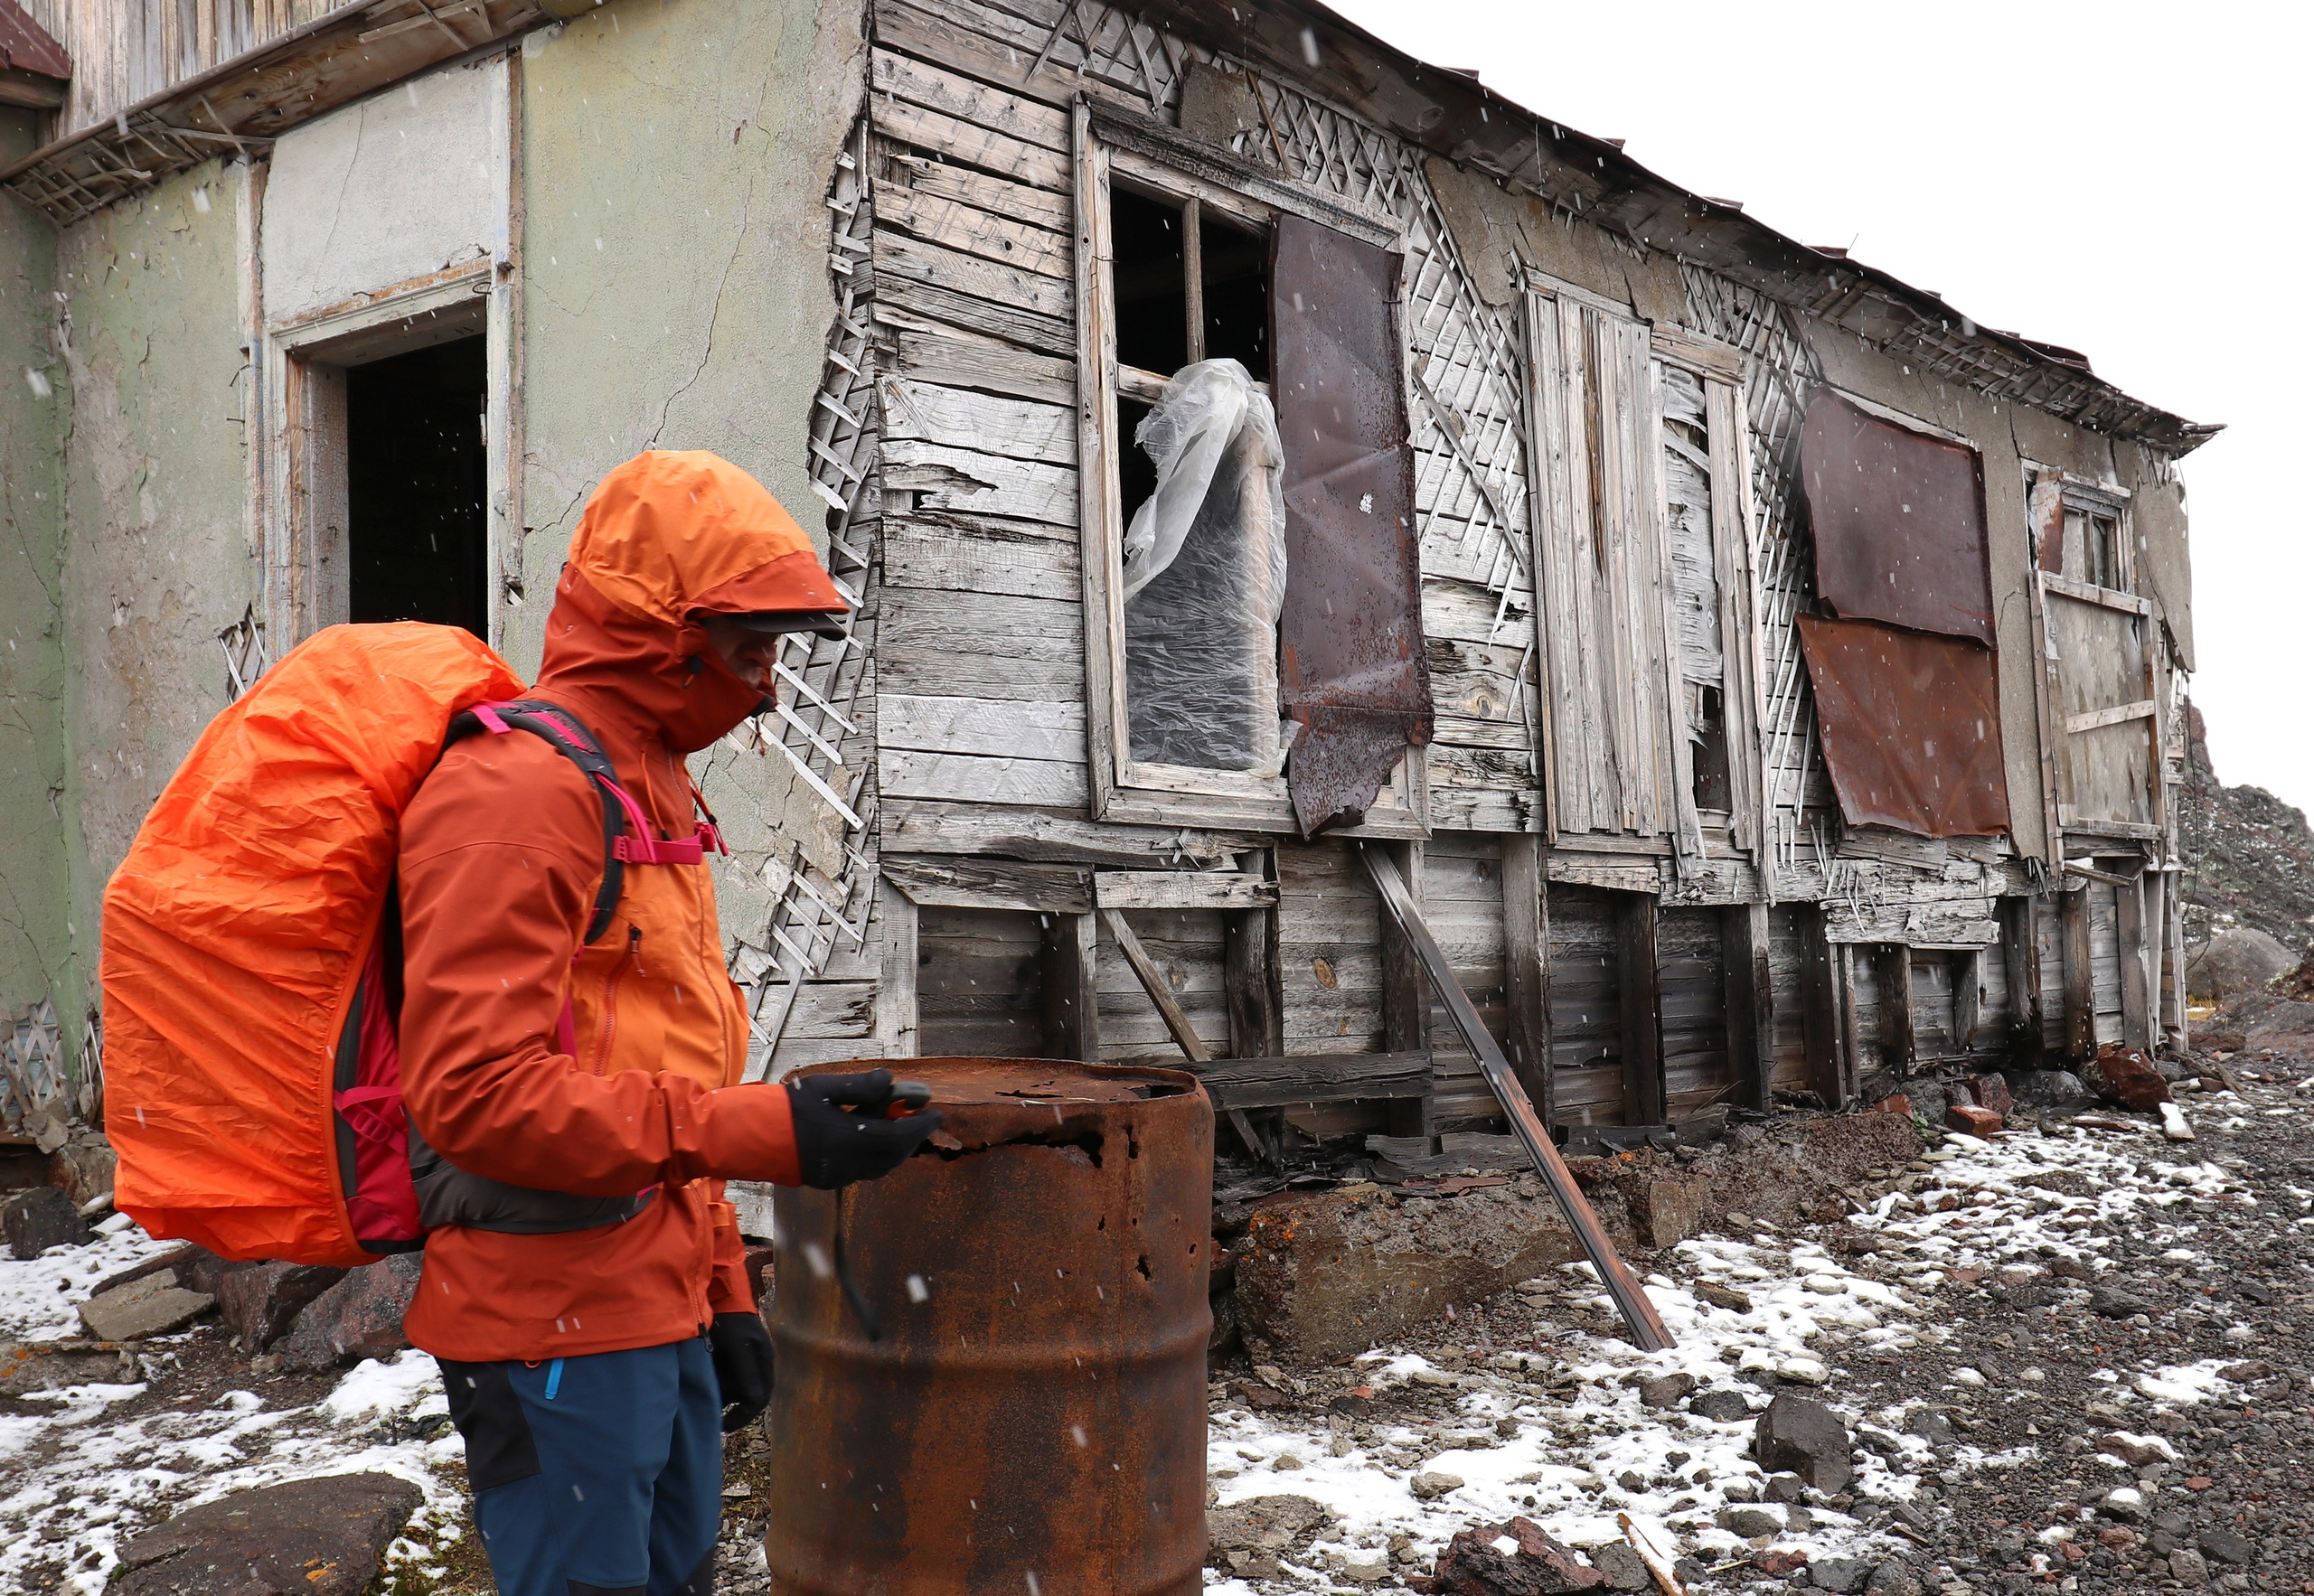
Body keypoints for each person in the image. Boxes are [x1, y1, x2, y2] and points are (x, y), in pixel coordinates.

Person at [392, 449, 941, 1596]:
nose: (769, 686)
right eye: (749, 650)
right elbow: (475, 1096)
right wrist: (767, 1131)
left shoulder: (646, 784)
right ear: (663, 634)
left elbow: (646, 1069)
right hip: (548, 1322)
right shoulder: (519, 793)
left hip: (654, 1307)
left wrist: (723, 1292)